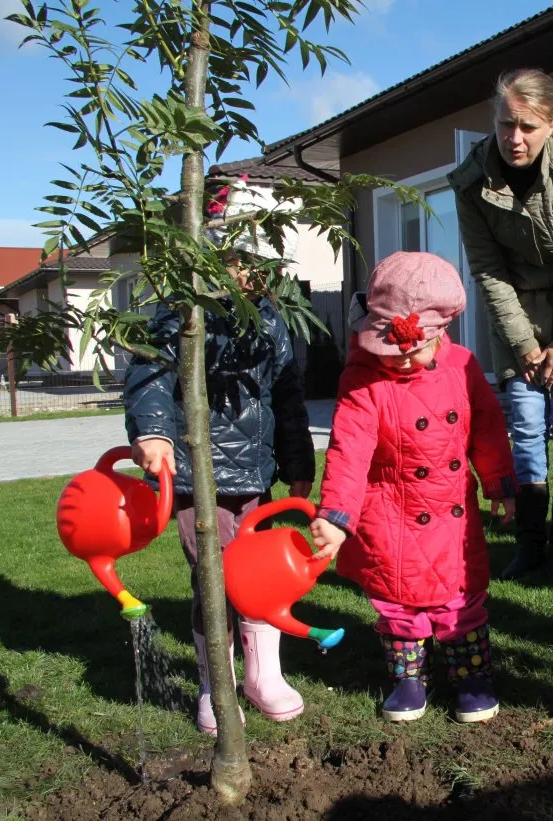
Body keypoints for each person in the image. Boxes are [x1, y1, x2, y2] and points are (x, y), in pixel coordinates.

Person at [124, 178, 316, 735]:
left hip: (252, 474)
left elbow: (287, 396)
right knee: (212, 576)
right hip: (194, 474)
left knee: (257, 572)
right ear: (213, 255)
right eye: (242, 260)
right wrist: (154, 432)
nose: (252, 274)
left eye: (263, 264)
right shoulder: (182, 313)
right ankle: (217, 684)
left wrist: (298, 464)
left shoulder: (272, 319)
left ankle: (263, 674)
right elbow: (151, 374)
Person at [310, 252, 517, 723]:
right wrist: (337, 515)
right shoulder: (362, 378)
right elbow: (348, 449)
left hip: (450, 508)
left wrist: (499, 484)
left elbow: (487, 428)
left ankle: (471, 675)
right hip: (390, 510)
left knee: (462, 595)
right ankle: (409, 678)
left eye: (412, 349)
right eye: (391, 349)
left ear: (441, 331)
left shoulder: (463, 366)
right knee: (398, 599)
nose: (401, 358)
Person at [448, 68, 553, 581]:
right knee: (524, 425)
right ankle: (529, 546)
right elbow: (487, 270)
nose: (514, 138)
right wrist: (522, 342)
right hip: (515, 309)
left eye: (527, 126)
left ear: (551, 123)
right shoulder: (471, 182)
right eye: (505, 125)